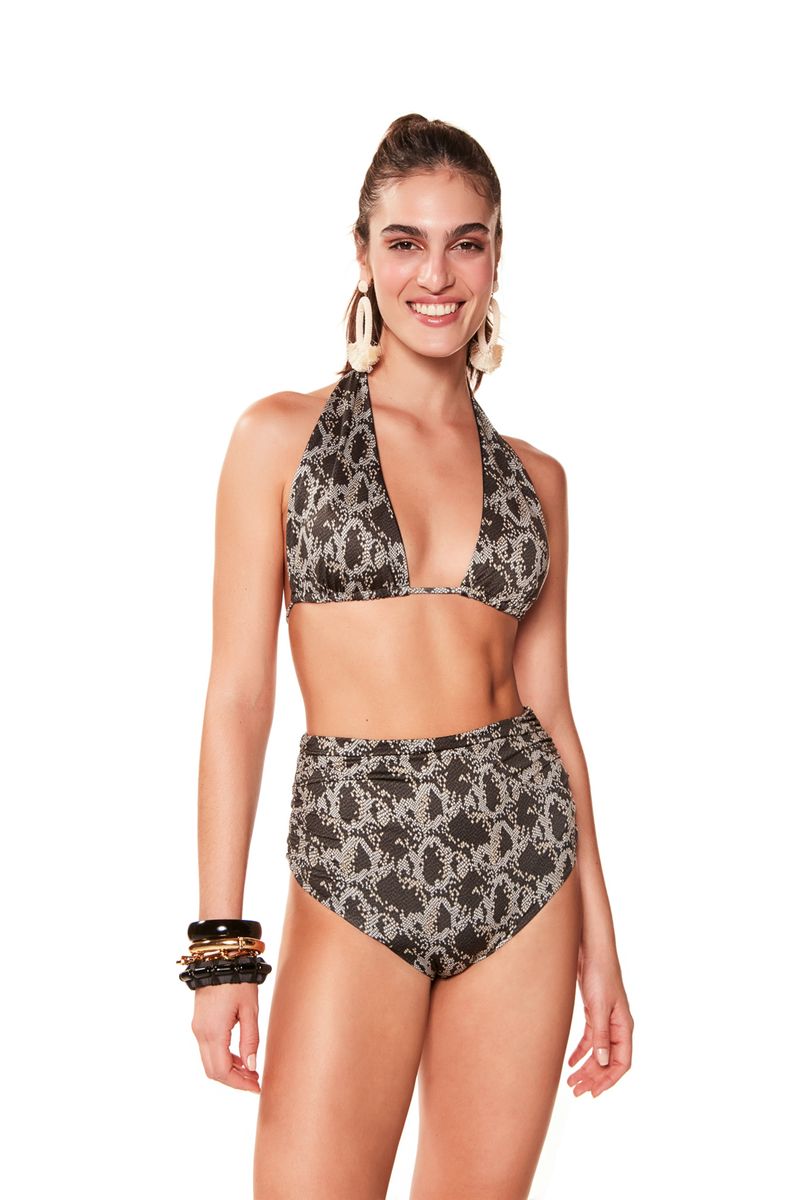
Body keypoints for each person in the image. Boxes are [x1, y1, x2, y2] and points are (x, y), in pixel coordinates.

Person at [184, 114, 634, 1200]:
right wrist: (221, 948)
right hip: (354, 860)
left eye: (464, 243)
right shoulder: (277, 439)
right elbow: (239, 698)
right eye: (405, 242)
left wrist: (601, 943)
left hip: (523, 862)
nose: (435, 275)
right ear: (362, 254)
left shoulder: (539, 479)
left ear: (495, 258)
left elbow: (551, 713)